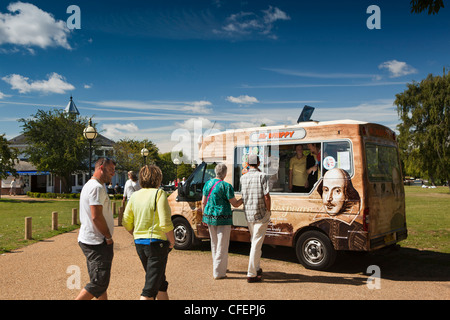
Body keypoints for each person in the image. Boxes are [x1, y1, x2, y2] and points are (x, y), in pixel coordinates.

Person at [123, 165, 175, 300]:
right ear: (158, 178)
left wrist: (136, 233)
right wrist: (172, 241)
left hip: (140, 244)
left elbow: (126, 221)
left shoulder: (134, 196)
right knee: (149, 289)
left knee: (159, 282)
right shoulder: (159, 193)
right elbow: (165, 222)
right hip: (157, 243)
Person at [76, 158, 116, 300]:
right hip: (96, 242)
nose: (113, 173)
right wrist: (108, 236)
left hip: (93, 239)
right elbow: (96, 216)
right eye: (111, 170)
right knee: (99, 282)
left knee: (100, 282)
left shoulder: (96, 185)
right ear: (101, 168)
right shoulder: (96, 187)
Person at [201, 163, 243, 280]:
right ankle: (219, 272)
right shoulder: (226, 186)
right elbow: (235, 203)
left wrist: (204, 216)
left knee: (214, 243)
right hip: (223, 217)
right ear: (225, 173)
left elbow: (203, 202)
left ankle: (218, 267)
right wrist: (244, 199)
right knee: (222, 245)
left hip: (209, 216)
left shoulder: (207, 184)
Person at [240, 154, 271, 283]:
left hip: (249, 214)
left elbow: (243, 196)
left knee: (255, 242)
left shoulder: (243, 178)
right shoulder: (262, 176)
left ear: (248, 164)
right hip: (261, 214)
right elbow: (266, 196)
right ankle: (251, 273)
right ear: (258, 163)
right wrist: (269, 210)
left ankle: (257, 268)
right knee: (256, 244)